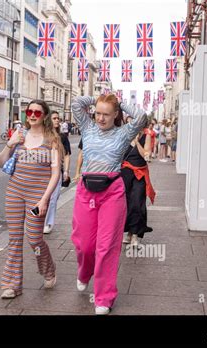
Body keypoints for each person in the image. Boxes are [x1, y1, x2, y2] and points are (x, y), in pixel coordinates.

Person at [71, 94, 147, 315]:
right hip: (86, 191)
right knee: (84, 244)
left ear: (116, 115)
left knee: (106, 247)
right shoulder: (87, 127)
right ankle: (84, 272)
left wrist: (118, 101)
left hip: (112, 193)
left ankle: (104, 297)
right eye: (98, 113)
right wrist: (98, 98)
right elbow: (77, 103)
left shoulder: (124, 133)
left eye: (106, 114)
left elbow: (141, 116)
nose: (101, 118)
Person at [0, 99, 62, 299]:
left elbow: (56, 173)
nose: (32, 115)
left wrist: (44, 200)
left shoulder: (52, 140)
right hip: (15, 192)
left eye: (37, 112)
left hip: (37, 196)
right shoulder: (20, 136)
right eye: (29, 111)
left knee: (34, 239)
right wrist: (10, 143)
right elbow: (1, 163)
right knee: (15, 239)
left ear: (44, 116)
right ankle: (12, 284)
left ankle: (48, 268)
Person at [121, 120, 155, 247]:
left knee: (137, 202)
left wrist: (136, 142)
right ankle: (129, 233)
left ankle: (135, 234)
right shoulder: (124, 136)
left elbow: (146, 155)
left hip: (139, 174)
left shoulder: (146, 136)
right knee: (127, 203)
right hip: (125, 174)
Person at [43, 111, 71, 234]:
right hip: (43, 171)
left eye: (58, 118)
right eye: (54, 118)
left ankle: (48, 223)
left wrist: (66, 171)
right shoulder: (43, 135)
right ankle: (40, 221)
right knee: (43, 197)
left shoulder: (63, 137)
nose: (57, 120)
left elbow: (67, 155)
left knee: (53, 198)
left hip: (57, 172)